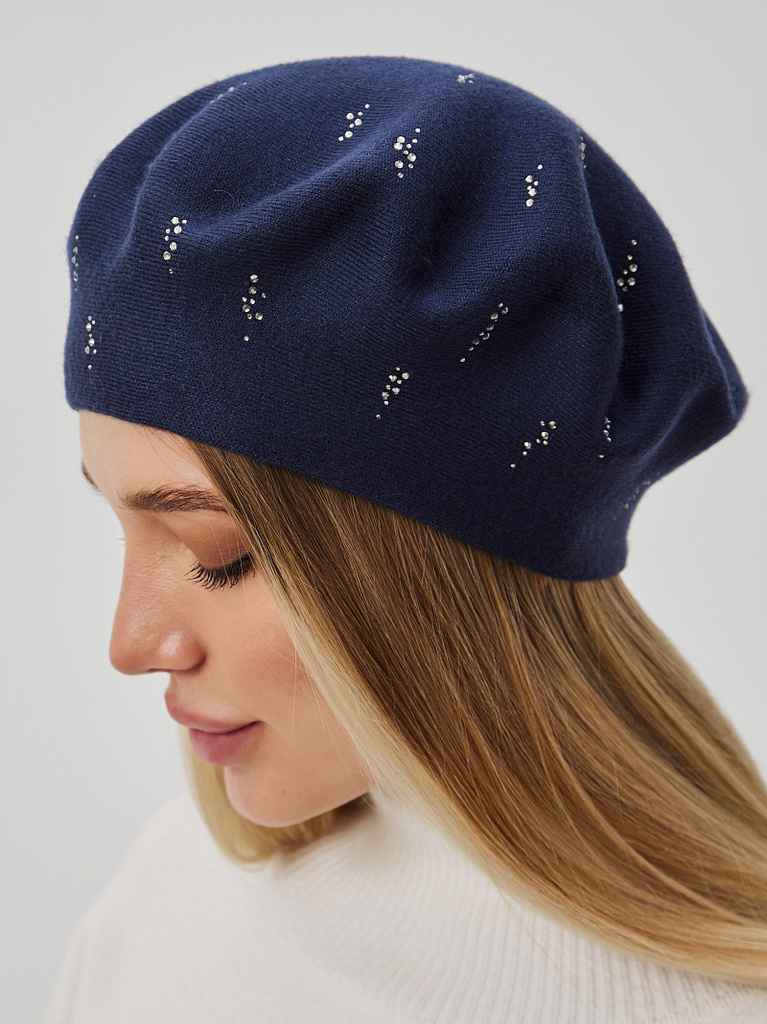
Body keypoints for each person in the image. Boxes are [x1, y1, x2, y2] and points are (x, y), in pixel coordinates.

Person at [45, 56, 767, 1023]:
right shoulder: (168, 905)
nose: (131, 645)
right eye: (120, 526)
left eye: (220, 556)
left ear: (440, 566)